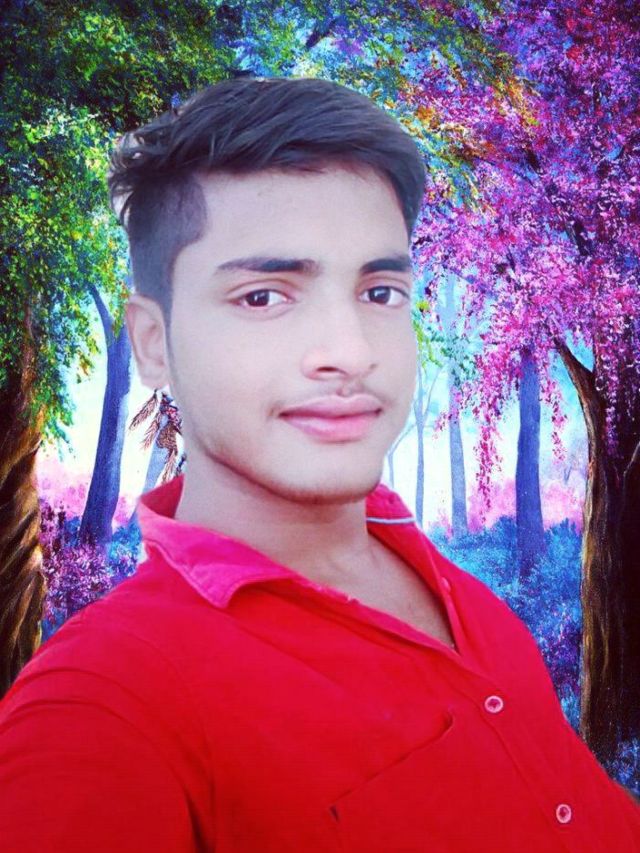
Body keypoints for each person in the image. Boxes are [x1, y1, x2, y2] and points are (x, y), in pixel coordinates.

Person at [0, 76, 638, 853]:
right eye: (264, 296)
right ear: (154, 342)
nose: (351, 352)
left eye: (380, 291)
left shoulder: (457, 592)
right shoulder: (100, 709)